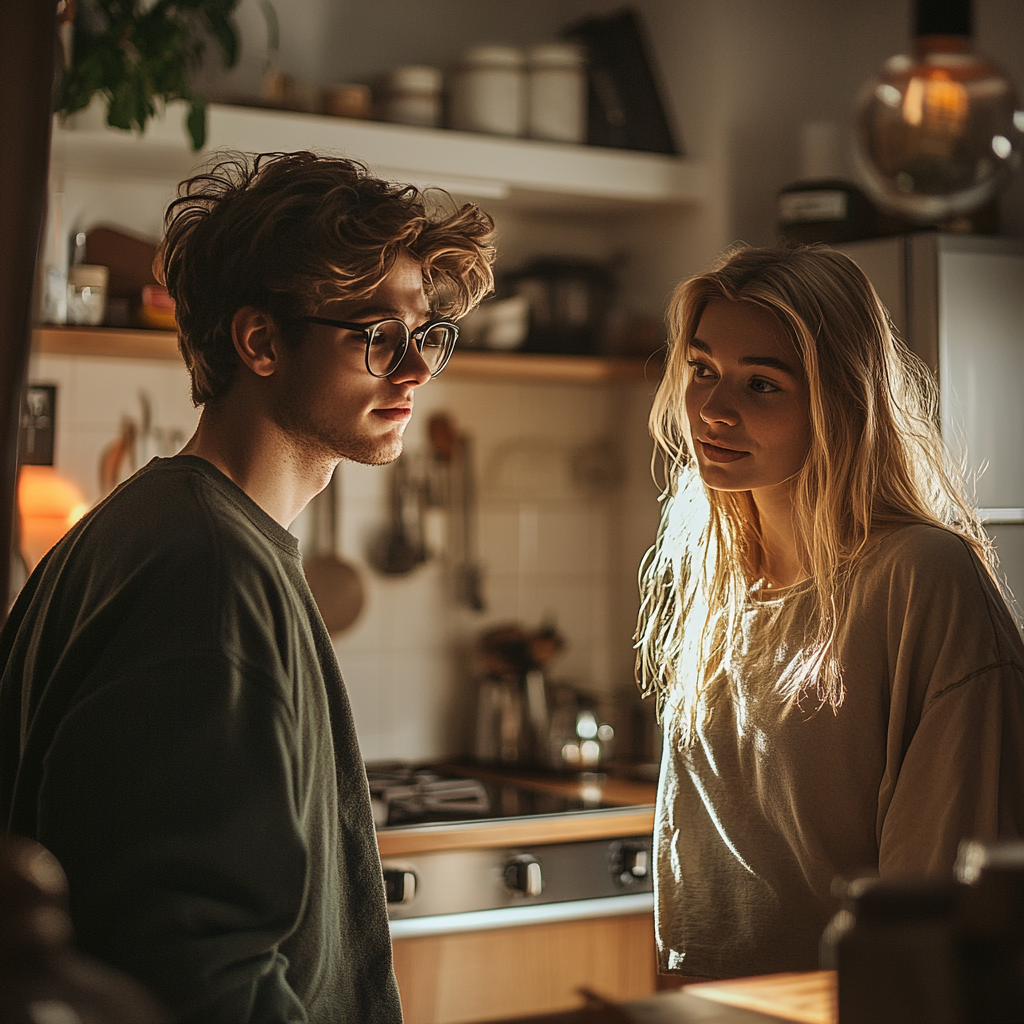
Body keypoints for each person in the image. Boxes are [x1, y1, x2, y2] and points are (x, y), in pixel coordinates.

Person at [0, 151, 495, 1022]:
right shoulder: (210, 571)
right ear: (260, 340)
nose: (415, 369)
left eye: (428, 335)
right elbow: (196, 967)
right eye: (378, 334)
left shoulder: (144, 533)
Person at [634, 244, 1024, 981]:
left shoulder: (922, 579)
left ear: (841, 399)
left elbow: (937, 887)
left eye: (762, 385)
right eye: (702, 370)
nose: (714, 410)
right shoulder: (710, 563)